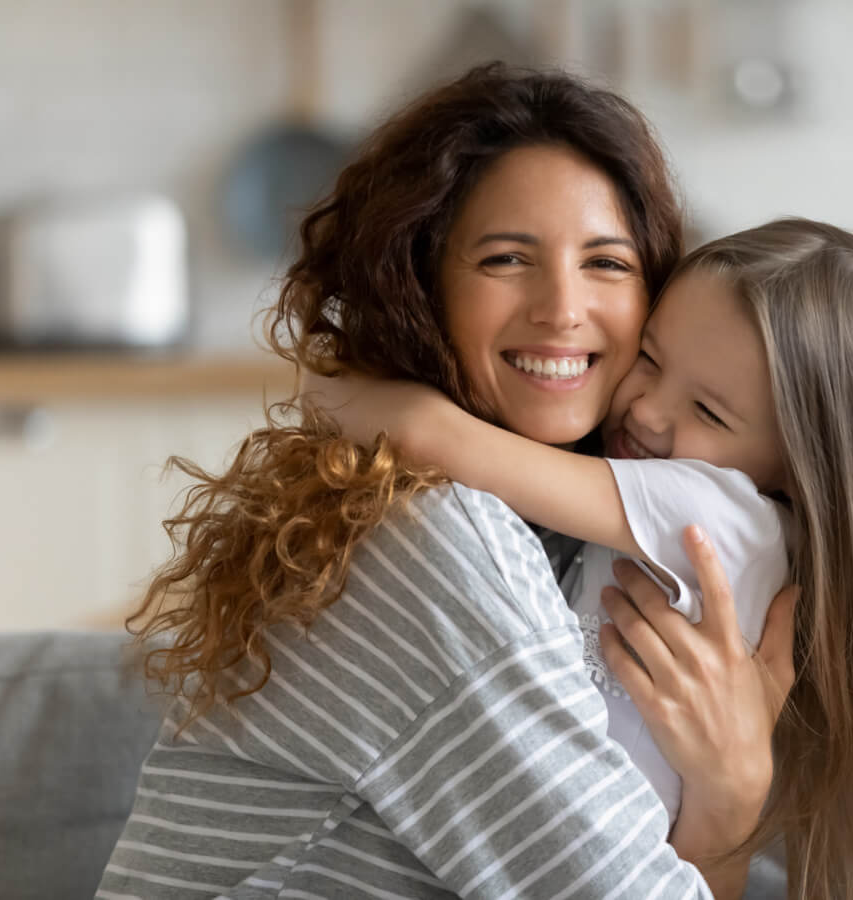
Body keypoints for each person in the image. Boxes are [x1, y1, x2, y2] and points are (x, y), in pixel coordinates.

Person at [97, 63, 790, 900]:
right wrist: (729, 800)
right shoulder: (439, 544)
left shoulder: (564, 537)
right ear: (422, 286)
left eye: (606, 262)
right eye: (506, 259)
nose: (562, 308)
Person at [310, 218, 853, 898]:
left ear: (803, 464)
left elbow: (430, 437)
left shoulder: (718, 512)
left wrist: (321, 387)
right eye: (648, 359)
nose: (647, 411)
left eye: (708, 410)